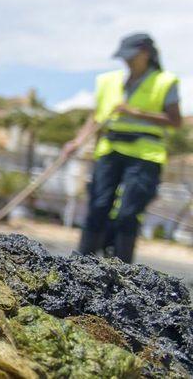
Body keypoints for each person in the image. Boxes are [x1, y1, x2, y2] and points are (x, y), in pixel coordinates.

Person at [65, 33, 181, 263]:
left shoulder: (164, 82)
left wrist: (137, 113)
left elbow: (175, 121)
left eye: (132, 56)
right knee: (98, 206)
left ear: (146, 54)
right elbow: (96, 117)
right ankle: (80, 264)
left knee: (128, 212)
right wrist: (77, 141)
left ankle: (121, 269)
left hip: (145, 155)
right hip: (110, 150)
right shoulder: (109, 82)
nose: (127, 61)